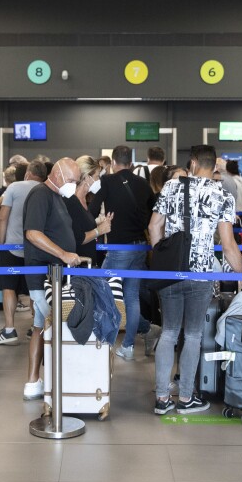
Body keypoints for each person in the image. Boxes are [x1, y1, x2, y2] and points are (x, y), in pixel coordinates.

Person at [149, 145, 242, 415]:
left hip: (170, 272)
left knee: (170, 332)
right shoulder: (222, 194)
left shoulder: (172, 187)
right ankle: (186, 398)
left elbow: (154, 226)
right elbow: (229, 245)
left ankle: (162, 398)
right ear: (213, 166)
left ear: (194, 163)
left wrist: (161, 254)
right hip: (200, 273)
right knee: (193, 334)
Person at [88, 146, 161, 361]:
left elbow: (91, 212)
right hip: (140, 247)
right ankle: (131, 344)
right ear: (131, 162)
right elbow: (153, 211)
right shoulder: (143, 184)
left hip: (119, 247)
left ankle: (100, 341)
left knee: (100, 290)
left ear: (112, 163)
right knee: (131, 296)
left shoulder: (107, 182)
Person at [22, 158, 82, 400]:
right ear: (56, 174)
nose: (73, 185)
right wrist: (63, 253)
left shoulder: (59, 197)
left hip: (55, 274)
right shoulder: (40, 195)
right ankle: (45, 382)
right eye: (70, 180)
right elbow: (33, 233)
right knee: (49, 325)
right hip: (42, 274)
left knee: (41, 325)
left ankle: (34, 381)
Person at [0, 160, 46, 345]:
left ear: (28, 173)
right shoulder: (46, 189)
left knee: (9, 288)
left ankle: (9, 330)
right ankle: (35, 328)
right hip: (37, 247)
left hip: (11, 246)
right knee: (34, 289)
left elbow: (2, 217)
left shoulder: (14, 187)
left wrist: (1, 243)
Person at [65, 156, 113, 263]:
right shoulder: (72, 201)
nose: (99, 180)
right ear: (87, 177)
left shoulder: (84, 200)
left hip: (88, 261)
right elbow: (78, 238)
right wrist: (100, 230)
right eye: (97, 176)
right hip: (78, 264)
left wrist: (99, 224)